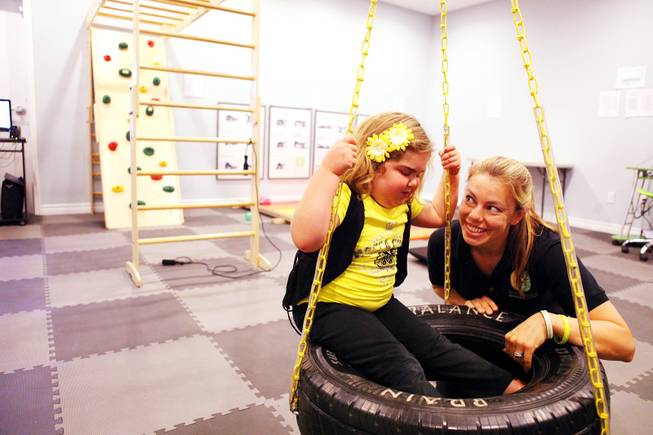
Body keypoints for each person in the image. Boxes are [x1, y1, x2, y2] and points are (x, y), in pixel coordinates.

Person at [283, 113, 524, 397]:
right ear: (374, 165)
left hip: (378, 304)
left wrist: (452, 175)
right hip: (328, 308)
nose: (414, 182)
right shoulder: (348, 196)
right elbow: (306, 239)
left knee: (437, 348)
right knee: (402, 366)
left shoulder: (403, 204)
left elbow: (439, 214)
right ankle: (437, 419)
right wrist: (327, 172)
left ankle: (514, 389)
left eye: (419, 174)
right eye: (406, 172)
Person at [427, 156, 636, 371]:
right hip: (474, 355)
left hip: (537, 360)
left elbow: (624, 343)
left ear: (517, 216)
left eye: (493, 208)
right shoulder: (443, 242)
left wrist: (549, 323)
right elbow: (440, 287)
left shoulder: (548, 252)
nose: (474, 215)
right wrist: (463, 302)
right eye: (470, 199)